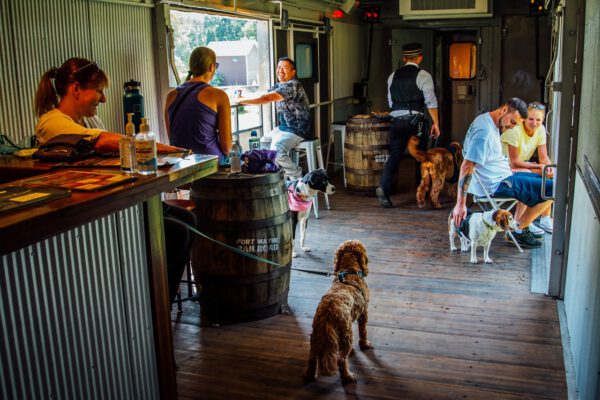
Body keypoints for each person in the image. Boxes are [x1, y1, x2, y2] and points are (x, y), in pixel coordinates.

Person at [452, 98, 553, 248]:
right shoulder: (484, 132)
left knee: (544, 178)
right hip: (496, 184)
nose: (511, 127)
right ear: (504, 110)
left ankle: (520, 226)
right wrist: (460, 204)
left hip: (503, 175)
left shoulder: (485, 119)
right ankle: (518, 229)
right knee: (553, 188)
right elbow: (467, 166)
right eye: (512, 122)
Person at [34, 57, 179, 153]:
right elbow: (101, 142)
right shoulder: (50, 123)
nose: (103, 99)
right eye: (99, 91)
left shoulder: (91, 120)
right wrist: (165, 149)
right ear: (76, 89)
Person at [376, 42, 441, 208]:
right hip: (415, 123)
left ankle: (384, 187)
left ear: (404, 58)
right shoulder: (423, 76)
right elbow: (431, 102)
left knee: (396, 155)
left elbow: (391, 102)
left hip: (396, 122)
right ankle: (422, 192)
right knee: (421, 156)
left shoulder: (392, 76)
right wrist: (436, 123)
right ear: (420, 57)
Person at [237, 57, 311, 179]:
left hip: (298, 130)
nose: (280, 70)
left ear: (293, 72)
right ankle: (271, 174)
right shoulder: (280, 86)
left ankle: (296, 176)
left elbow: (266, 99)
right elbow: (263, 94)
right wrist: (242, 96)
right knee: (263, 142)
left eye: (285, 68)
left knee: (277, 151)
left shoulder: (293, 85)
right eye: (279, 67)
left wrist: (242, 100)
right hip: (284, 128)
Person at [164, 46, 232, 159]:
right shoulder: (219, 96)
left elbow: (172, 138)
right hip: (209, 165)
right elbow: (227, 148)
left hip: (181, 164)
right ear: (212, 67)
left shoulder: (171, 95)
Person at [501, 101, 553, 234]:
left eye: (538, 120)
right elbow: (514, 162)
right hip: (504, 167)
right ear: (524, 118)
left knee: (548, 177)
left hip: (519, 164)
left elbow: (543, 157)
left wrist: (548, 168)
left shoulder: (540, 130)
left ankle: (545, 218)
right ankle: (520, 223)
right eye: (531, 119)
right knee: (528, 175)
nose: (534, 123)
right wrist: (538, 166)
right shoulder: (515, 130)